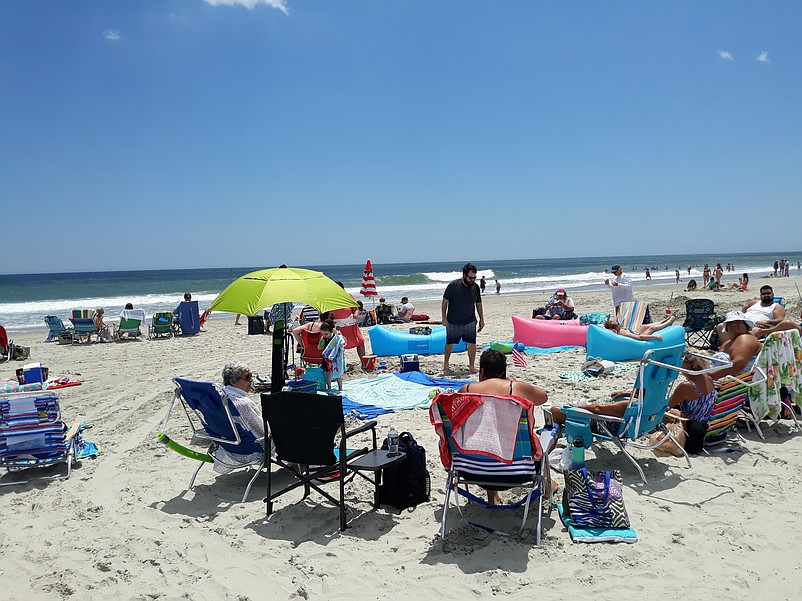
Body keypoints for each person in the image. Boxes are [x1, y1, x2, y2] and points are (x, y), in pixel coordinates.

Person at [549, 353, 718, 451]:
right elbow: (660, 401)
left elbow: (598, 408)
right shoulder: (707, 378)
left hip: (611, 427)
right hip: (643, 423)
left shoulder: (632, 406)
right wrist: (627, 394)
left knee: (556, 412)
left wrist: (576, 408)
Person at [458, 350, 548, 504]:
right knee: (533, 442)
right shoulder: (516, 388)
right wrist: (514, 382)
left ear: (482, 372)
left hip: (471, 471)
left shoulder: (466, 391)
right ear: (504, 372)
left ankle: (492, 497)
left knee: (483, 433)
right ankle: (547, 489)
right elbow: (543, 398)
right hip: (518, 473)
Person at [218, 361, 270, 472]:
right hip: (251, 451)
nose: (251, 380)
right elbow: (263, 431)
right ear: (233, 382)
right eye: (247, 377)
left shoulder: (219, 399)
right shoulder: (243, 403)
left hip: (228, 447)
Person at [442, 263, 485, 373]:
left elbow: (478, 303)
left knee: (472, 343)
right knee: (450, 343)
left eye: (474, 278)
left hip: (470, 321)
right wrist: (444, 318)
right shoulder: (453, 285)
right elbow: (445, 301)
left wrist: (481, 319)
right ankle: (446, 364)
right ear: (464, 275)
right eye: (470, 278)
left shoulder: (475, 287)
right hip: (453, 321)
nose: (472, 280)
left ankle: (471, 366)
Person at [721, 284, 801, 341]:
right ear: (760, 295)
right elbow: (743, 310)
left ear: (772, 294)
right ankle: (728, 347)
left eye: (768, 293)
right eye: (763, 294)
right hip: (744, 323)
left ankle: (736, 344)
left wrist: (767, 322)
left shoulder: (776, 306)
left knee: (755, 330)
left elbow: (780, 320)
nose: (766, 295)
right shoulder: (754, 302)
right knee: (720, 326)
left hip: (757, 327)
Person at [709, 311, 762, 380]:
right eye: (730, 323)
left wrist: (711, 375)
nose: (734, 324)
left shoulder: (745, 338)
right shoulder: (728, 343)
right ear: (726, 328)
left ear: (746, 326)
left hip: (735, 384)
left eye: (738, 322)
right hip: (722, 381)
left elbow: (739, 364)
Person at [330, 282, 366, 361]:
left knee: (360, 342)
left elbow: (356, 308)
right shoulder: (329, 299)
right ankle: (340, 365)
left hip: (351, 325)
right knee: (339, 346)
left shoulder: (348, 296)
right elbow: (325, 313)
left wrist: (355, 315)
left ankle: (364, 362)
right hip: (337, 327)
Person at [603, 314, 677, 341]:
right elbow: (640, 337)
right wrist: (655, 336)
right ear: (615, 328)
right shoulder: (624, 334)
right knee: (652, 328)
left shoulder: (619, 331)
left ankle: (663, 321)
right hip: (638, 336)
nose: (620, 325)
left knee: (642, 326)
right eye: (618, 324)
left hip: (634, 332)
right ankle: (668, 322)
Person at [320, 320, 345, 392]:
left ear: (331, 331)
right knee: (327, 373)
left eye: (326, 334)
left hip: (335, 358)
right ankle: (329, 387)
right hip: (326, 358)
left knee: (337, 374)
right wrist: (321, 342)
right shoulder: (323, 338)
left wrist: (341, 336)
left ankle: (340, 388)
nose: (324, 336)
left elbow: (344, 342)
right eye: (323, 334)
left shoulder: (336, 338)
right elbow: (320, 347)